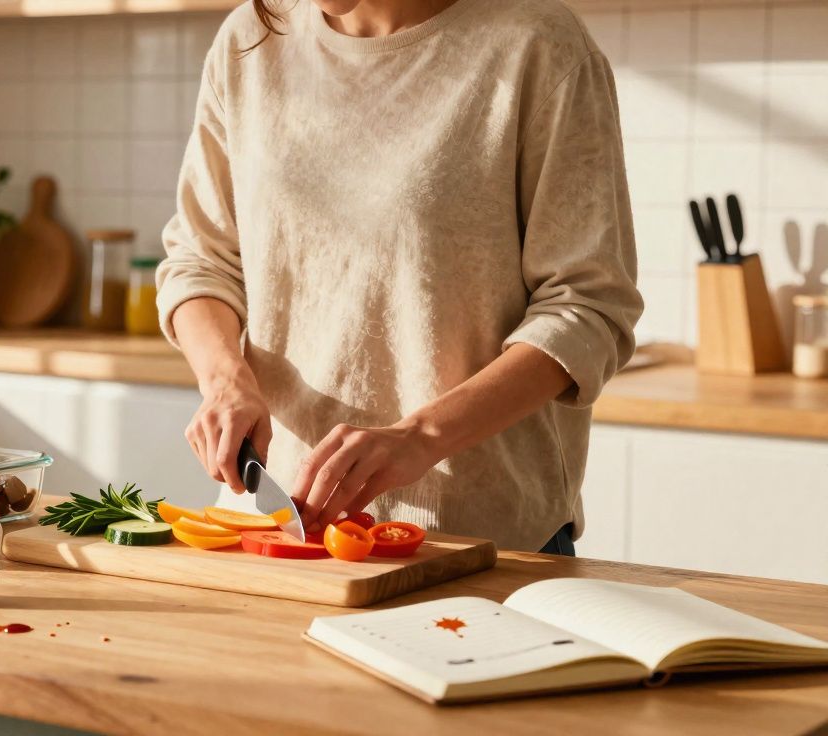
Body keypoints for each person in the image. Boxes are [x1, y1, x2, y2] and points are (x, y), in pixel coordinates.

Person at [155, 0, 643, 554]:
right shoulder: (249, 42)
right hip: (281, 530)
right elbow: (202, 259)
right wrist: (223, 378)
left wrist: (423, 436)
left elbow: (588, 307)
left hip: (479, 545)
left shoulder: (537, 43)